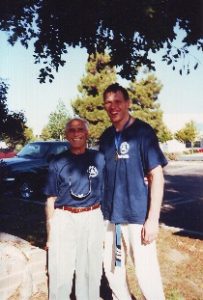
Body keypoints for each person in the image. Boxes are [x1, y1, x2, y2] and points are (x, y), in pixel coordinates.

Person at [99, 83, 168, 300]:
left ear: (128, 103)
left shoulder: (143, 132)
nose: (113, 107)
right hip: (111, 220)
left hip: (137, 218)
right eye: (108, 103)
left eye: (118, 101)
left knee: (146, 276)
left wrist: (153, 219)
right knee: (113, 272)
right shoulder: (106, 137)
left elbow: (156, 176)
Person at [44, 118, 105, 300]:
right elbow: (50, 198)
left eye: (80, 129)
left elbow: (109, 188)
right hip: (64, 216)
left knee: (90, 271)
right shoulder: (57, 161)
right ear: (66, 135)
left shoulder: (99, 159)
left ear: (87, 133)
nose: (76, 133)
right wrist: (50, 235)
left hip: (92, 215)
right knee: (60, 271)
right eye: (71, 130)